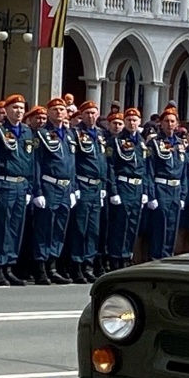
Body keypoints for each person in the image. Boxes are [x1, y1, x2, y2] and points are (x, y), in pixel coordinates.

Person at [0, 95, 35, 286]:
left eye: (21, 108)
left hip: (21, 184)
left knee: (15, 227)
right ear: (6, 110)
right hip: (5, 183)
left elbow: (30, 162)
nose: (19, 111)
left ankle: (10, 265)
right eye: (14, 107)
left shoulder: (26, 131)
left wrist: (30, 188)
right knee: (2, 227)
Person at [30, 98, 76, 284]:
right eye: (55, 109)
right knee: (44, 227)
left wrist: (74, 188)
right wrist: (38, 191)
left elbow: (72, 164)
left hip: (65, 186)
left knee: (59, 228)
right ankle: (40, 267)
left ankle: (53, 265)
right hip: (49, 185)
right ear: (48, 112)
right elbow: (37, 164)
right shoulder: (41, 134)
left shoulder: (70, 134)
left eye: (62, 109)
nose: (59, 112)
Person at [68, 101, 108, 283]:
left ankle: (88, 263)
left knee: (93, 229)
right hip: (83, 184)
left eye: (94, 113)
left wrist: (104, 187)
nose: (91, 116)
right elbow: (72, 162)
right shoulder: (75, 133)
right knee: (80, 227)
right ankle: (76, 264)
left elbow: (104, 162)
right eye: (88, 113)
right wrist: (74, 187)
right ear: (81, 115)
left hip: (97, 186)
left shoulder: (101, 134)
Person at [106, 107, 148, 270]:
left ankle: (127, 255)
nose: (132, 123)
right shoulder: (116, 141)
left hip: (137, 187)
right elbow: (111, 167)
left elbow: (144, 168)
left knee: (132, 224)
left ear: (139, 122)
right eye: (129, 120)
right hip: (123, 185)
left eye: (135, 120)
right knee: (120, 224)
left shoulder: (142, 143)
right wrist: (114, 191)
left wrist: (145, 190)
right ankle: (116, 257)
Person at [145, 106, 185, 260]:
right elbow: (149, 170)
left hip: (175, 189)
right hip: (161, 188)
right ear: (160, 123)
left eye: (172, 121)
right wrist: (151, 195)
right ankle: (156, 258)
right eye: (166, 121)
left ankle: (168, 257)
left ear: (177, 124)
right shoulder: (154, 143)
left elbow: (184, 172)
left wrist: (183, 194)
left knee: (172, 227)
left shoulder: (180, 144)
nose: (169, 124)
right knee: (159, 227)